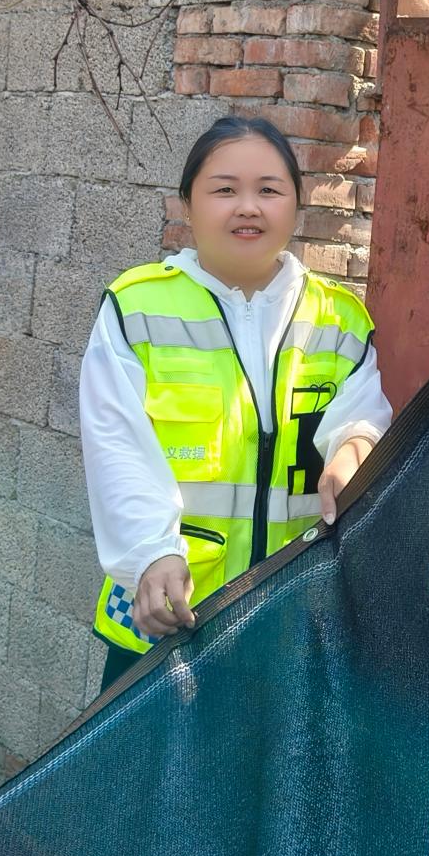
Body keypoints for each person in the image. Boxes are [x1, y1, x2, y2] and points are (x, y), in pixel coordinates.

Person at [82, 114, 392, 692]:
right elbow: (115, 446)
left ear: (296, 205)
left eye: (269, 190)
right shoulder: (137, 308)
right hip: (170, 609)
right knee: (152, 753)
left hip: (289, 619)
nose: (248, 207)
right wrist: (150, 554)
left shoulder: (339, 319)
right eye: (224, 190)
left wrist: (354, 446)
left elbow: (361, 411)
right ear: (188, 204)